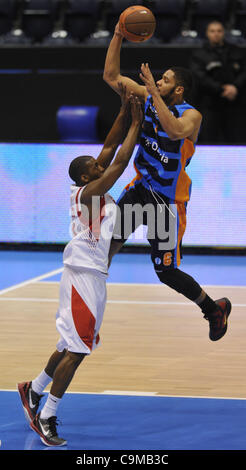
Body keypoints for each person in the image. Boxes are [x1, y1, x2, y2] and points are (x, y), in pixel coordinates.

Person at [17, 87, 143, 447]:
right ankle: (47, 415)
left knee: (71, 341)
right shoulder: (87, 193)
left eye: (98, 163)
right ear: (86, 178)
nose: (100, 164)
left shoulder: (90, 183)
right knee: (78, 349)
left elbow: (109, 146)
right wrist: (137, 122)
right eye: (95, 167)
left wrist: (122, 111)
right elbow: (119, 161)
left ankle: (33, 389)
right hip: (82, 276)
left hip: (92, 274)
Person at [103, 22, 232, 343]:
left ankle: (212, 309)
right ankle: (92, 301)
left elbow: (174, 130)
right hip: (141, 188)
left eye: (164, 80)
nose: (156, 81)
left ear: (178, 90)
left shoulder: (192, 116)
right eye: (157, 78)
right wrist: (119, 35)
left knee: (166, 271)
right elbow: (111, 76)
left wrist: (150, 90)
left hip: (168, 203)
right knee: (108, 246)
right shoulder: (149, 96)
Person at [190, 20, 246, 143]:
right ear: (207, 33)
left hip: (234, 104)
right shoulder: (199, 54)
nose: (216, 34)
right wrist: (221, 88)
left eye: (219, 31)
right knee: (209, 139)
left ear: (224, 33)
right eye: (212, 31)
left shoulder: (236, 51)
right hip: (210, 104)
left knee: (235, 139)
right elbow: (200, 76)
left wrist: (235, 87)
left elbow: (243, 72)